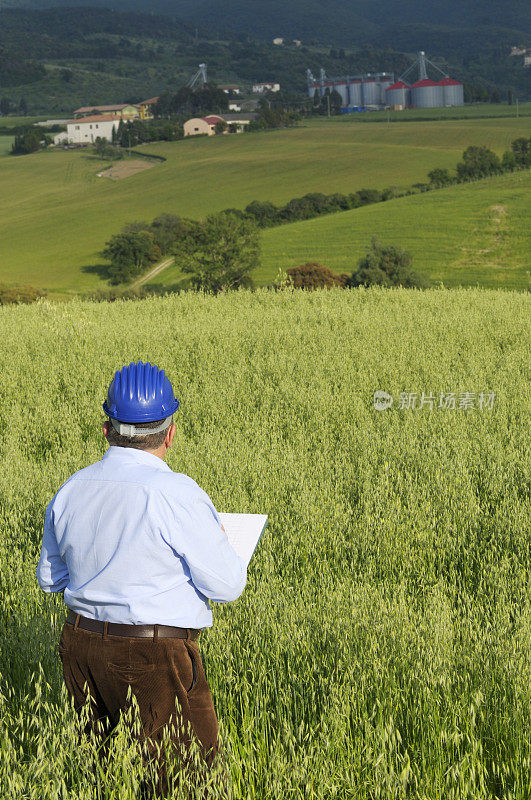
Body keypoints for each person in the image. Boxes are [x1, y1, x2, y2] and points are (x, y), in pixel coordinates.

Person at [37, 361, 247, 797]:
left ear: (105, 429)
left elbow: (50, 579)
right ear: (170, 432)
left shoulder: (70, 489)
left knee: (103, 780)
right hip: (156, 657)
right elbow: (227, 586)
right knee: (191, 786)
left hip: (80, 649)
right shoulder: (177, 494)